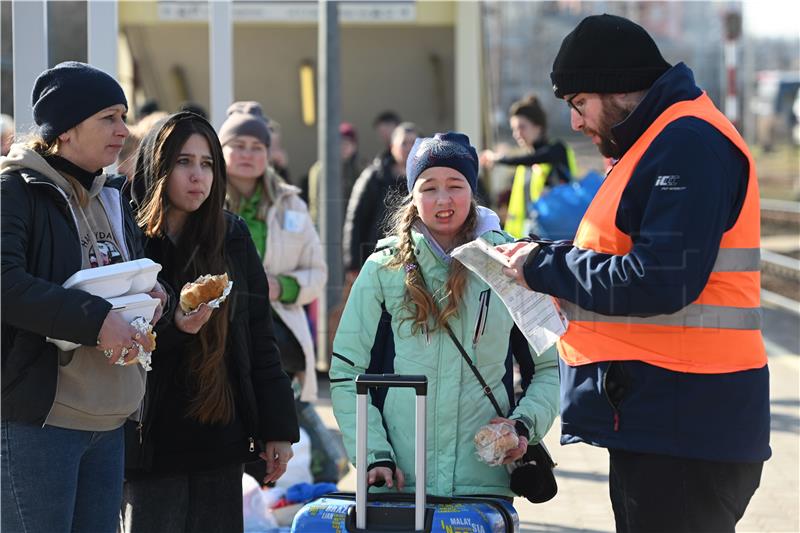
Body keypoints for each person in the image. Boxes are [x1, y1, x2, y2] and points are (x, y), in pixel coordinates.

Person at [500, 14, 769, 533]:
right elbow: (625, 256)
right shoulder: (660, 141)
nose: (575, 123)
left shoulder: (687, 143)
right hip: (666, 415)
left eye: (579, 103)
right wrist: (544, 258)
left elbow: (659, 278)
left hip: (687, 423)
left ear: (619, 88)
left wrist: (547, 266)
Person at [330, 132, 559, 497]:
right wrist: (375, 456)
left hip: (484, 481)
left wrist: (522, 426)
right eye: (428, 187)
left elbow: (549, 368)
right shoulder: (382, 268)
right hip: (401, 481)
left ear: (472, 190)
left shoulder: (513, 265)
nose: (443, 199)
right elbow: (347, 373)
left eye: (455, 185)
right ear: (412, 195)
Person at [1, 61, 163, 533]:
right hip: (39, 421)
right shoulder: (16, 190)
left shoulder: (113, 194)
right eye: (108, 117)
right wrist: (96, 321)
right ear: (66, 129)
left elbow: (125, 276)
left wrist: (156, 298)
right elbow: (6, 283)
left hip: (109, 419)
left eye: (124, 116)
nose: (123, 130)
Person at [123, 111, 299, 532]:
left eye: (207, 164)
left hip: (220, 432)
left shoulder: (231, 234)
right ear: (157, 166)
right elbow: (118, 342)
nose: (197, 176)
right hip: (151, 440)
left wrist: (278, 429)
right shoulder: (129, 235)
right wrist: (175, 329)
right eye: (183, 162)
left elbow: (260, 337)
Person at [220, 101, 326, 402]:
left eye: (257, 146)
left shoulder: (292, 204)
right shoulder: (203, 201)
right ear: (222, 148)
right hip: (217, 335)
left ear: (268, 153)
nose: (247, 154)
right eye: (238, 145)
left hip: (275, 339)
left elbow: (317, 272)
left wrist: (282, 287)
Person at [480, 94, 579, 238]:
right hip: (526, 237)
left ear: (538, 127)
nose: (516, 134)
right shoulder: (524, 166)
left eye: (521, 127)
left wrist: (497, 159)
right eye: (514, 129)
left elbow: (536, 157)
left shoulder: (557, 150)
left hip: (557, 236)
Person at [342, 122, 419, 277]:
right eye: (404, 143)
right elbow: (355, 220)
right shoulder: (374, 177)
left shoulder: (425, 180)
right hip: (378, 259)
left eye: (413, 143)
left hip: (415, 260)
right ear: (392, 147)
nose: (409, 148)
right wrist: (353, 264)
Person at [306, 121, 364, 226]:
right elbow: (315, 204)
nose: (344, 147)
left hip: (350, 225)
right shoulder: (320, 169)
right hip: (325, 226)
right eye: (341, 143)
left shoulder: (358, 169)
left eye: (349, 143)